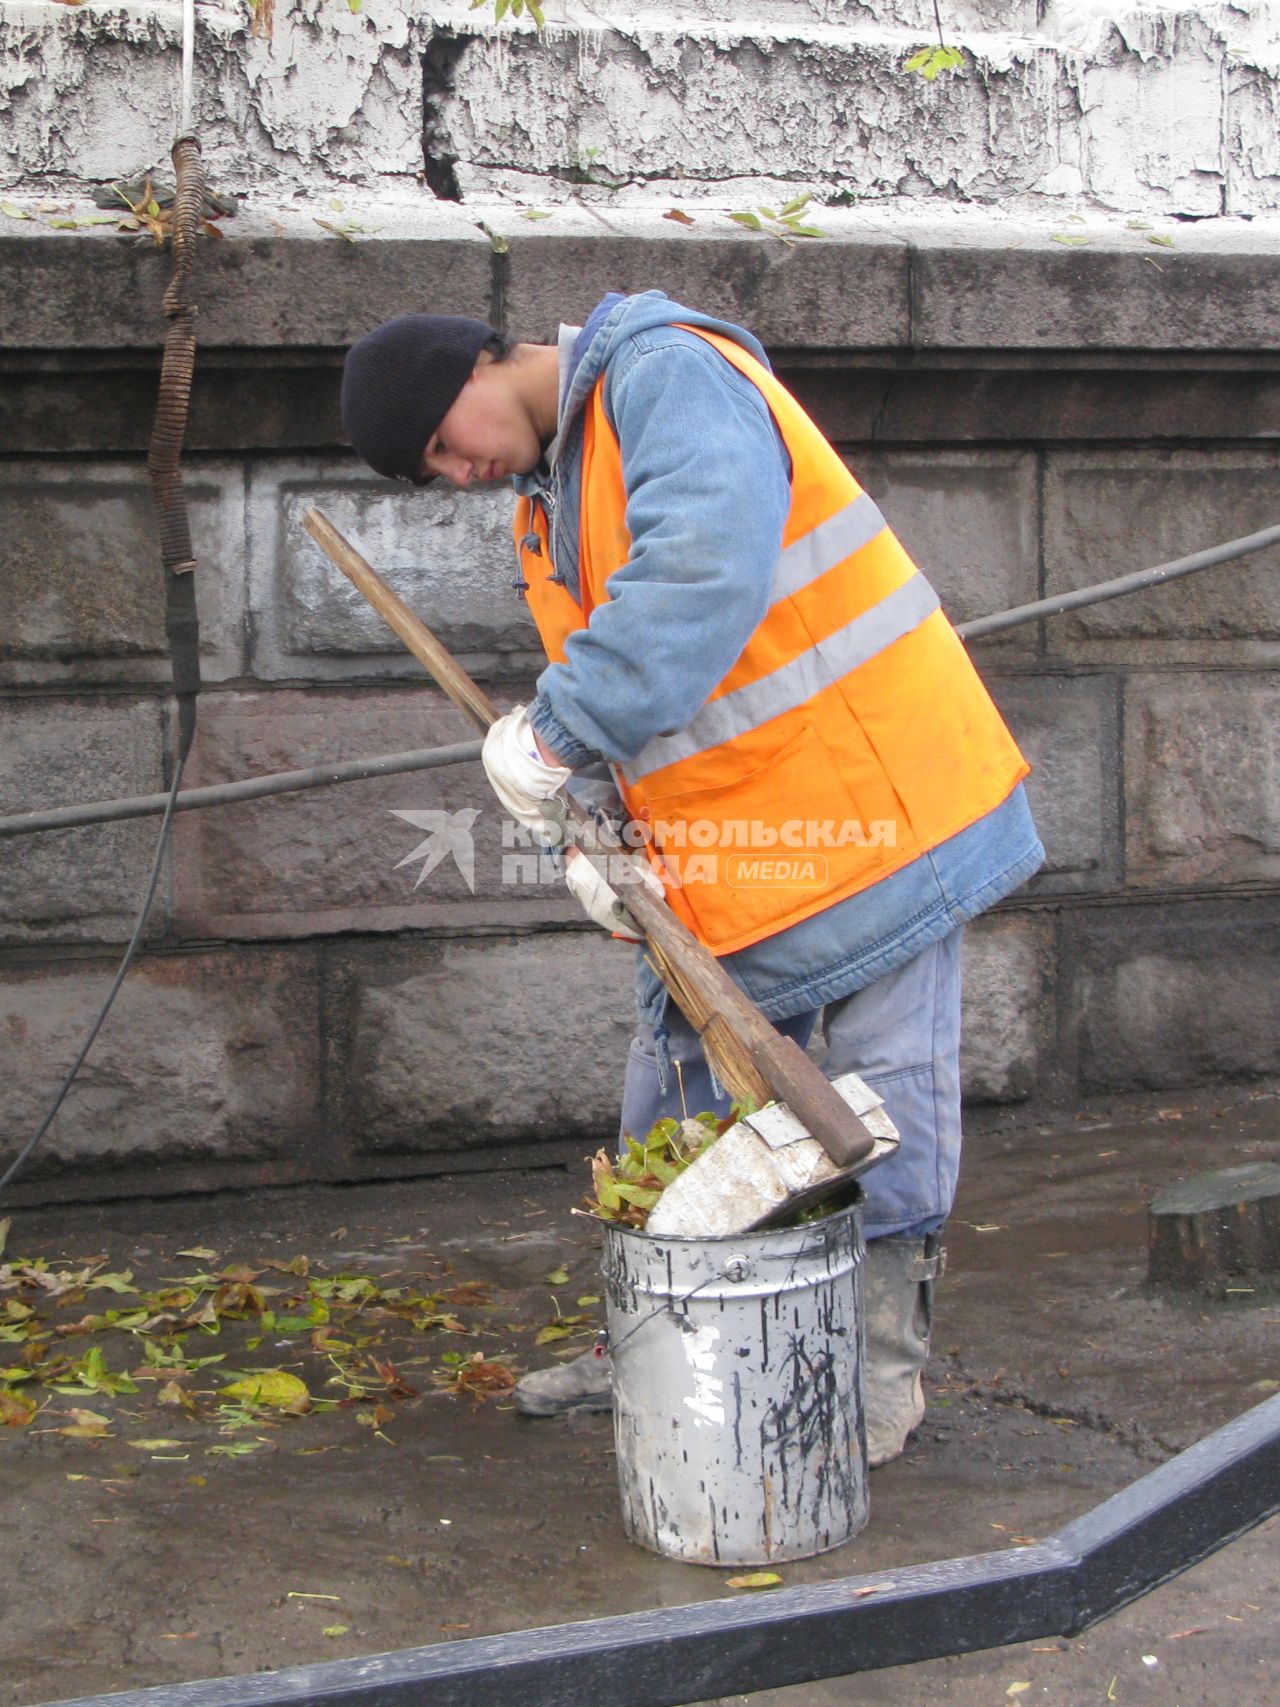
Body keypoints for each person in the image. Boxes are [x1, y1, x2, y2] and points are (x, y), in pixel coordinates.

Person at [340, 291, 1044, 1465]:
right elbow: (641, 691)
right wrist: (600, 841)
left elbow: (694, 583)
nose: (453, 475)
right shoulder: (549, 493)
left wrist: (552, 734)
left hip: (879, 812)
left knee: (881, 1096)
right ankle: (666, 1345)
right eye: (432, 473)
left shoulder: (667, 379)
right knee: (676, 1096)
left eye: (438, 445)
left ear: (475, 368)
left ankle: (872, 1374)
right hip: (744, 841)